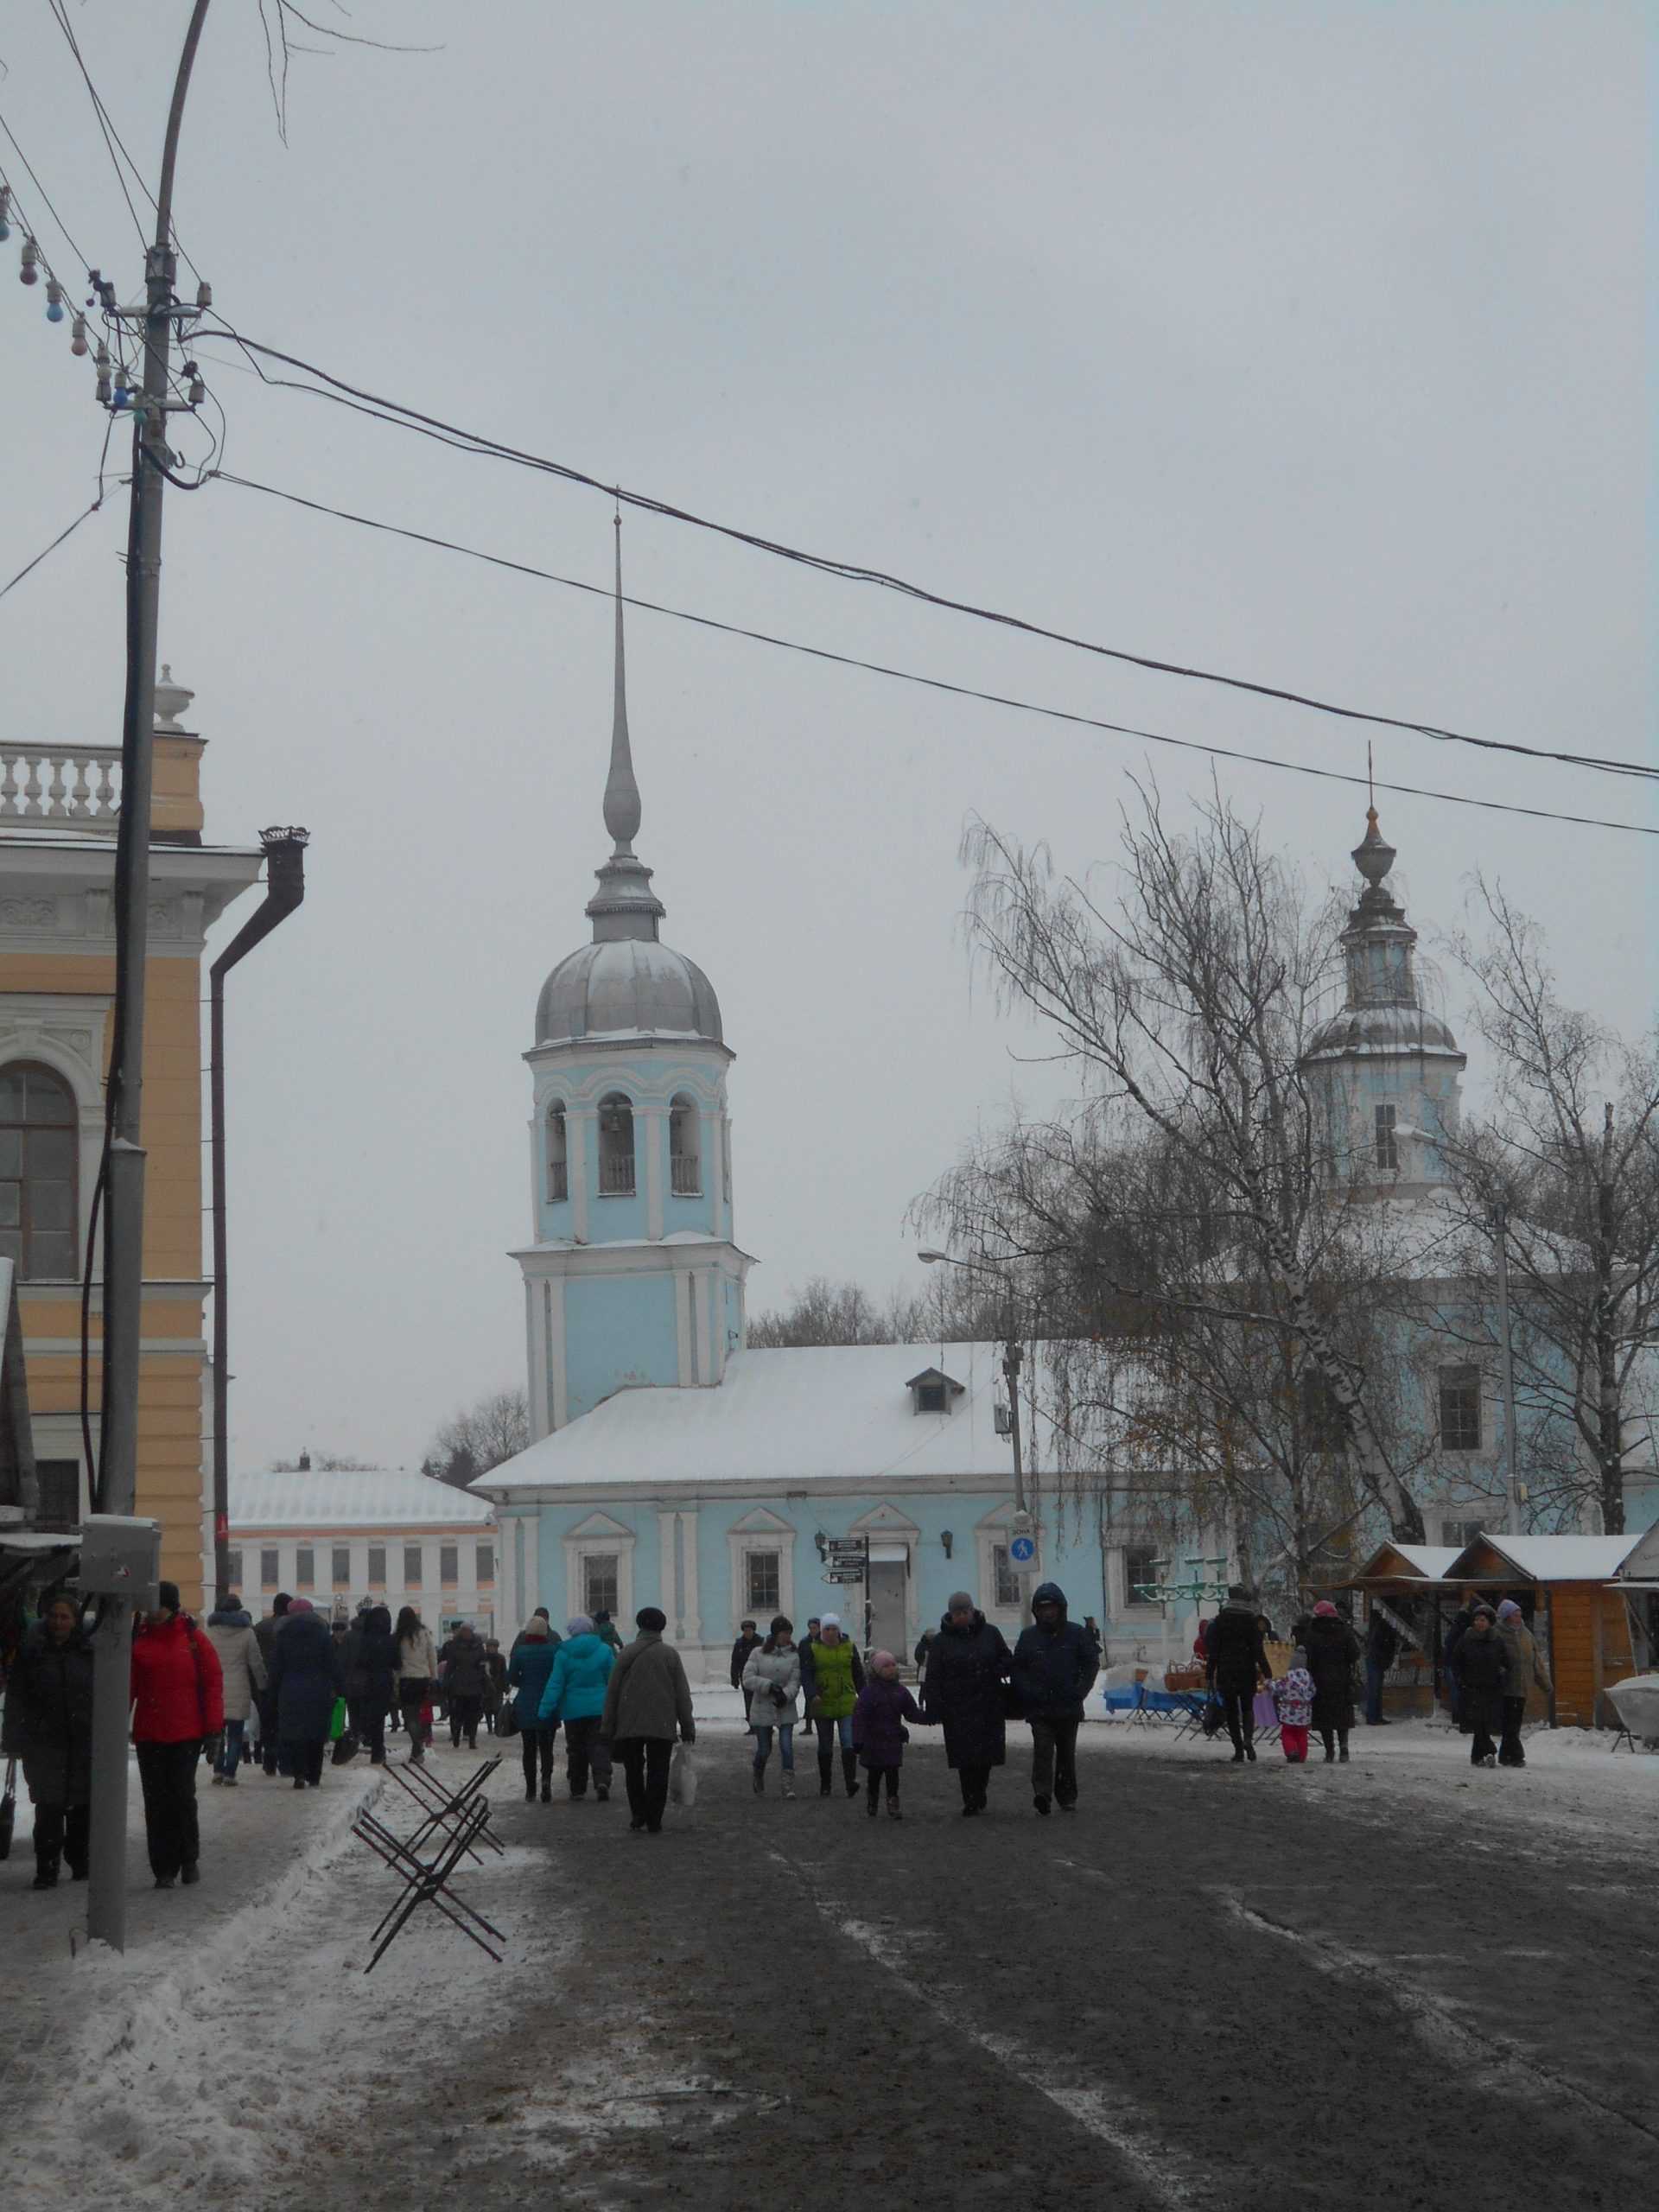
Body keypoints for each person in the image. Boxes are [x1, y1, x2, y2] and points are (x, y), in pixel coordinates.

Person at [130, 1581, 225, 1889]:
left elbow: (212, 1686)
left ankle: (188, 1859)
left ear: (171, 1606)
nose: (150, 1611)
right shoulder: (137, 1639)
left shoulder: (194, 1640)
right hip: (149, 1734)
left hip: (186, 1733)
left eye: (156, 1604)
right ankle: (163, 1867)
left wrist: (213, 1730)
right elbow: (127, 1687)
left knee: (182, 1797)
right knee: (156, 1802)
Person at [2, 1592, 93, 1888]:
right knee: (49, 1807)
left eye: (64, 1617)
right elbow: (16, 1698)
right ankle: (47, 1867)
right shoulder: (32, 1653)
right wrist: (14, 1738)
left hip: (81, 1742)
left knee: (81, 1805)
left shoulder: (88, 1652)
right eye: (54, 1616)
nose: (58, 1622)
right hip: (43, 1743)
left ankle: (80, 1861)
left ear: (75, 1620)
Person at [599, 1605, 695, 1834]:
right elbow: (682, 1694)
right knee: (658, 1770)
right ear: (661, 1627)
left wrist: (607, 1725)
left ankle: (638, 1814)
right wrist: (687, 1725)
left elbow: (612, 1692)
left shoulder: (626, 1653)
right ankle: (655, 1818)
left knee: (633, 1770)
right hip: (661, 1722)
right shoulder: (670, 1655)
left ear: (640, 1625)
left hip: (629, 1722)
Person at [1010, 1580, 1099, 1816]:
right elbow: (1017, 1668)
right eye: (1042, 1608)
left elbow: (1091, 1663)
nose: (1048, 1612)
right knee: (1043, 1750)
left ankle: (1067, 1795)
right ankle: (1042, 1793)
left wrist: (1080, 1690)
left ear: (1060, 1608)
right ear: (1036, 1611)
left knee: (1066, 1754)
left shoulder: (1076, 1634)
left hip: (1068, 1706)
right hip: (1039, 1707)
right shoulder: (1028, 1637)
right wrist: (1027, 1691)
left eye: (1051, 1607)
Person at [921, 1591, 1012, 1815]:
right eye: (957, 1613)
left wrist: (1001, 1668)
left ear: (972, 1611)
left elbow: (1006, 1657)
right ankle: (970, 1797)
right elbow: (933, 1675)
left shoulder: (991, 1633)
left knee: (986, 1756)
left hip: (988, 1703)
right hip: (957, 1707)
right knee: (964, 1756)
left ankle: (980, 1791)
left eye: (965, 1612)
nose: (961, 1616)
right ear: (951, 1615)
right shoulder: (941, 1642)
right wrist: (934, 1705)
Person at [538, 1614, 617, 1800]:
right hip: (599, 1708)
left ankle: (578, 1788)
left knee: (576, 1749)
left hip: (573, 1711)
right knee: (600, 1745)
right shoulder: (604, 1650)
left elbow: (556, 1683)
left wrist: (545, 1708)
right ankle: (602, 1780)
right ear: (591, 1629)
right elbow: (613, 1680)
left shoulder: (563, 1653)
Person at [267, 1594, 341, 1789]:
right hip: (318, 1689)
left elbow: (276, 1668)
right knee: (316, 1734)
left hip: (290, 1690)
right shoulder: (322, 1633)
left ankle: (299, 1773)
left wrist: (272, 1693)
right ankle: (314, 1775)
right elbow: (332, 1663)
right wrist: (339, 1687)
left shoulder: (282, 1635)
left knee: (295, 1735)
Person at [852, 1649, 926, 1819]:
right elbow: (859, 1718)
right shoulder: (868, 1693)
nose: (891, 1669)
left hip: (892, 1740)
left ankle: (893, 1804)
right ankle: (872, 1801)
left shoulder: (900, 1691)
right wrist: (858, 1740)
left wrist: (931, 1716)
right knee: (874, 1776)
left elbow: (912, 1713)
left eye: (893, 1665)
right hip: (873, 1742)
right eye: (886, 1666)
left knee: (893, 1775)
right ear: (877, 1670)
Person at [800, 1612, 865, 1799]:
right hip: (823, 1702)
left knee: (848, 1743)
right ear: (821, 1631)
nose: (830, 1632)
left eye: (833, 1628)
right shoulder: (812, 1648)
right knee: (825, 1746)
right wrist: (812, 1695)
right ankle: (825, 1784)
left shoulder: (849, 1647)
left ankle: (850, 1782)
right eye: (827, 1629)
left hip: (846, 1700)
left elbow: (858, 1674)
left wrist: (865, 1695)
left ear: (839, 1630)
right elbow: (807, 1675)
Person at [205, 1592, 267, 1784]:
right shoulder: (247, 1633)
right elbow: (256, 1662)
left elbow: (203, 1660)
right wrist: (263, 1684)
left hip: (215, 1688)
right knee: (235, 1734)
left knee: (217, 1733)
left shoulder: (210, 1632)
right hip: (239, 1686)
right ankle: (230, 1773)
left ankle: (217, 1770)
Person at [1205, 1585, 1271, 1764]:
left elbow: (1214, 1650)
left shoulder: (1220, 1621)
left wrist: (1209, 1672)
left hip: (1227, 1669)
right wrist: (1267, 1671)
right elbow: (1259, 1649)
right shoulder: (1252, 1621)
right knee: (1248, 1707)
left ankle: (1238, 1749)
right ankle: (1248, 1739)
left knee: (1232, 1711)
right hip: (1246, 1670)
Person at [741, 1614, 801, 1796]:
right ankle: (758, 1772)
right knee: (764, 1749)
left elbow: (795, 1681)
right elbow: (748, 1678)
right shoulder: (757, 1654)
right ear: (775, 1634)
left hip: (785, 1707)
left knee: (786, 1746)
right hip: (762, 1706)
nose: (787, 1637)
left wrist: (785, 1694)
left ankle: (788, 1785)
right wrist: (768, 1686)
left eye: (789, 1633)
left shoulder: (794, 1655)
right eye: (784, 1633)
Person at [507, 1614, 562, 1801]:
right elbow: (559, 1676)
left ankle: (530, 1789)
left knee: (528, 1748)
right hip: (548, 1703)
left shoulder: (520, 1652)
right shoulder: (554, 1651)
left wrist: (526, 1682)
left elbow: (512, 1678)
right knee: (547, 1747)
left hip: (526, 1704)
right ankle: (546, 1780)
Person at [1451, 1605, 1510, 1768]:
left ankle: (1477, 1756)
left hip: (1491, 1688)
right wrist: (1460, 1681)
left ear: (1489, 1622)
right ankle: (1489, 1750)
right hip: (1471, 1688)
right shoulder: (1466, 1639)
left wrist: (1502, 1675)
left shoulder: (1496, 1640)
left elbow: (1506, 1662)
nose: (1479, 1623)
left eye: (1482, 1620)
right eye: (1476, 1620)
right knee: (1479, 1721)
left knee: (1484, 1723)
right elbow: (1455, 1662)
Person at [1494, 1599, 1551, 1767]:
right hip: (1505, 1686)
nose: (1518, 1617)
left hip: (1522, 1686)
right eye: (1514, 1614)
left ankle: (1506, 1755)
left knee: (1515, 1722)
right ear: (1506, 1617)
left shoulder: (1526, 1634)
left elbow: (1536, 1662)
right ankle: (1515, 1755)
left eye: (1519, 1614)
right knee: (1509, 1722)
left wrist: (1545, 1684)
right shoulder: (1497, 1633)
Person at [1304, 1599, 1362, 1764]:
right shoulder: (1344, 1631)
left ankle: (1329, 1751)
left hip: (1320, 1680)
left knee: (1324, 1719)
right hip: (1341, 1679)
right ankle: (1344, 1748)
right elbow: (1354, 1654)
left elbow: (1308, 1657)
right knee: (1342, 1717)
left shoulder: (1312, 1632)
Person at [341, 1602, 397, 1765]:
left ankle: (360, 1738)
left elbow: (356, 1661)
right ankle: (377, 1749)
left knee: (359, 1714)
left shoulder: (361, 1638)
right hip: (384, 1682)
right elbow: (397, 1663)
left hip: (364, 1682)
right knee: (379, 1717)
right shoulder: (389, 1640)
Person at [252, 1592, 292, 1775]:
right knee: (285, 1724)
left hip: (265, 1683)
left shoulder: (260, 1627)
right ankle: (285, 1762)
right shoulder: (292, 1627)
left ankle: (269, 1760)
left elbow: (255, 1657)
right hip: (286, 1681)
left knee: (268, 1723)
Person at [393, 1605, 437, 1762]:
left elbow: (396, 1663)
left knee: (409, 1716)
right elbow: (432, 1656)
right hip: (423, 1678)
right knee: (417, 1715)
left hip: (407, 1679)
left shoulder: (399, 1637)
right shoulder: (424, 1634)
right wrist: (434, 1677)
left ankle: (417, 1747)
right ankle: (417, 1749)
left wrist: (396, 1683)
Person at [438, 1621, 490, 1751]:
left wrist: (483, 1675)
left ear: (472, 1632)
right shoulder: (455, 1645)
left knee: (473, 1714)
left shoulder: (478, 1644)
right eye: (464, 1630)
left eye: (468, 1630)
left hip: (474, 1683)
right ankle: (456, 1735)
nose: (466, 1633)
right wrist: (446, 1682)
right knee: (457, 1713)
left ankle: (472, 1739)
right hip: (459, 1683)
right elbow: (450, 1666)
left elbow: (483, 1662)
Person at [1442, 1587, 1484, 1731]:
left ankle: (1458, 1716)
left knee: (1456, 1691)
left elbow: (1448, 1644)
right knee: (1459, 1691)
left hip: (1450, 1664)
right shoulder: (1464, 1632)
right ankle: (1461, 1717)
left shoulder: (1455, 1630)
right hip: (1455, 1665)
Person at [1272, 1646, 1317, 1764]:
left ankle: (1291, 1751)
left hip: (1288, 1710)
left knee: (1287, 1732)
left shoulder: (1287, 1675)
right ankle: (1302, 1756)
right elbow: (1313, 1690)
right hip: (1304, 1710)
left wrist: (1268, 1684)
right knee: (1302, 1734)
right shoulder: (1308, 1675)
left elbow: (1277, 1688)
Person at [1363, 1608, 1400, 1726]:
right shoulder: (1384, 1629)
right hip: (1376, 1661)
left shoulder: (1379, 1627)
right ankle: (1374, 1717)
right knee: (1375, 1690)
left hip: (1375, 1660)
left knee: (1375, 1689)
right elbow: (1381, 1647)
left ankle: (1374, 1716)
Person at [730, 1618, 764, 1719]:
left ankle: (764, 1724)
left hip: (759, 1675)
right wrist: (734, 1679)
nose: (747, 1632)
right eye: (745, 1630)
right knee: (749, 1700)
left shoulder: (760, 1642)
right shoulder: (739, 1644)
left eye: (749, 1630)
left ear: (753, 1630)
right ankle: (751, 1722)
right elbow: (735, 1662)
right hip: (745, 1676)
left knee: (760, 1700)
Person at [481, 1637, 508, 1733]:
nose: (492, 1648)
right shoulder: (483, 1658)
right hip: (486, 1688)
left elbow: (504, 1672)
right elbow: (481, 1672)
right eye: (490, 1646)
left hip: (498, 1687)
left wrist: (506, 1687)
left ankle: (497, 1727)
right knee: (487, 1709)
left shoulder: (501, 1658)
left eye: (494, 1647)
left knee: (497, 1709)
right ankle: (489, 1728)